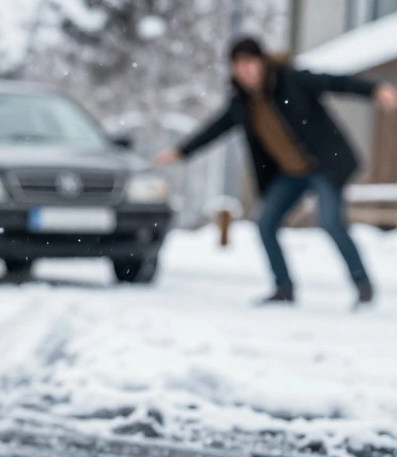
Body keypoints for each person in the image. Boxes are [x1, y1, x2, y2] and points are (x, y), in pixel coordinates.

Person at [156, 37, 397, 306]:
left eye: (250, 62)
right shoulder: (242, 104)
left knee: (330, 221)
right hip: (290, 174)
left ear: (261, 62)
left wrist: (375, 90)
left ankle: (363, 285)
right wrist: (182, 152)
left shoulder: (291, 80)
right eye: (239, 65)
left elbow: (334, 82)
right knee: (265, 223)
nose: (245, 70)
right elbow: (215, 129)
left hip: (323, 167)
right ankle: (284, 288)